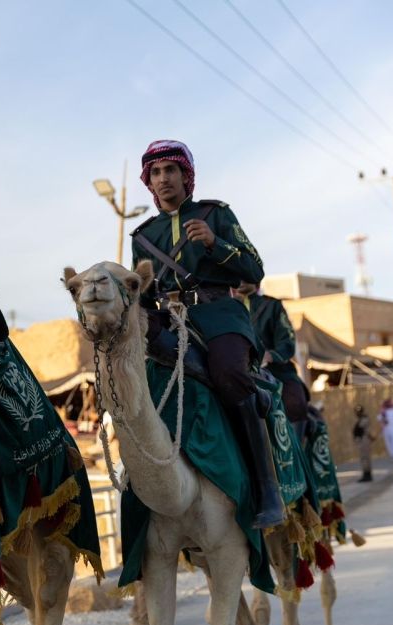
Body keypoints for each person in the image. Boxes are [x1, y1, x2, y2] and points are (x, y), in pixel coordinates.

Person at [130, 139, 283, 529]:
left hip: (219, 315)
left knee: (229, 375)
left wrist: (216, 244)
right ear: (149, 181)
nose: (163, 178)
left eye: (171, 170)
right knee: (137, 386)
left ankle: (267, 490)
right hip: (168, 321)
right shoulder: (143, 236)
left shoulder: (216, 214)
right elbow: (144, 297)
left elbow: (254, 270)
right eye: (156, 172)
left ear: (186, 176)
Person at [237, 281, 310, 439]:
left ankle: (295, 453)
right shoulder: (228, 309)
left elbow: (287, 342)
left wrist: (270, 355)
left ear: (256, 280)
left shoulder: (272, 306)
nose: (241, 280)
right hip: (240, 371)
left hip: (277, 372)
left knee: (295, 404)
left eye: (246, 276)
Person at [352, 404, 375, 482]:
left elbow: (364, 430)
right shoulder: (360, 419)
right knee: (364, 457)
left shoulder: (364, 419)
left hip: (364, 440)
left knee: (365, 457)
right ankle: (366, 474)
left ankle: (367, 474)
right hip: (362, 440)